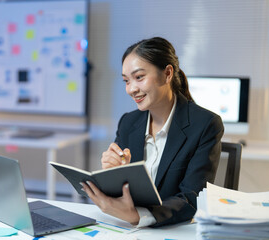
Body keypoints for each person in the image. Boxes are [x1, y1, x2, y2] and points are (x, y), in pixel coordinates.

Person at [81, 37, 224, 227]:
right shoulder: (128, 122)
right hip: (128, 228)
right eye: (126, 81)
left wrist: (138, 217)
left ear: (167, 73)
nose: (131, 89)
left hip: (174, 229)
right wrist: (112, 174)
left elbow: (191, 199)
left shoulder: (205, 124)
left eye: (139, 77)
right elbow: (122, 195)